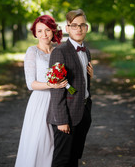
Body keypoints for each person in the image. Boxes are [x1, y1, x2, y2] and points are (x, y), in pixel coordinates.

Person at [15, 15, 68, 167]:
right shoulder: (32, 52)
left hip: (57, 101)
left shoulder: (58, 52)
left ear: (53, 31)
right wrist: (52, 84)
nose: (44, 34)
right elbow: (30, 84)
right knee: (39, 141)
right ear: (35, 33)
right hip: (40, 102)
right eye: (39, 31)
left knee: (54, 144)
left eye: (47, 30)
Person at [47, 9, 94, 167]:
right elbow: (56, 89)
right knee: (62, 160)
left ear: (86, 28)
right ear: (67, 28)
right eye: (74, 25)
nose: (79, 29)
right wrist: (61, 120)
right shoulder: (60, 52)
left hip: (82, 112)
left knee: (74, 159)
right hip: (66, 116)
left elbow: (77, 83)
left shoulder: (86, 51)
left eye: (82, 25)